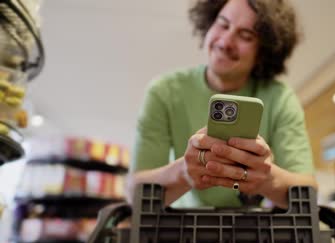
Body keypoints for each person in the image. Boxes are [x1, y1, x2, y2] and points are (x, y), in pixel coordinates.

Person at [127, 0, 317, 209]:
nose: (226, 41)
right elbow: (133, 192)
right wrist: (184, 172)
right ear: (208, 23)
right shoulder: (164, 91)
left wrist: (266, 178)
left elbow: (308, 191)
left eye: (246, 36)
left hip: (252, 232)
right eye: (223, 24)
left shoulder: (281, 99)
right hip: (181, 229)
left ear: (264, 52)